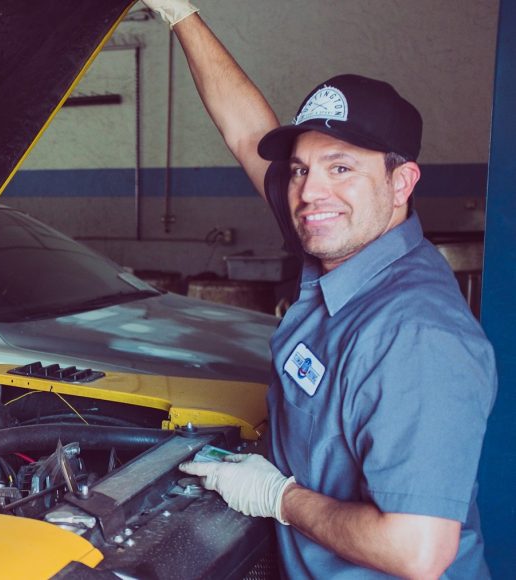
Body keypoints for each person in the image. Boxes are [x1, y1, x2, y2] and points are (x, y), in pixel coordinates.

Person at [137, 1, 498, 577]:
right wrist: (181, 14)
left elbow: (418, 551)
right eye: (302, 169)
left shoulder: (416, 337)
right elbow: (245, 131)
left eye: (342, 167)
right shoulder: (341, 245)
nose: (309, 193)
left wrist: (276, 496)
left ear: (401, 182)